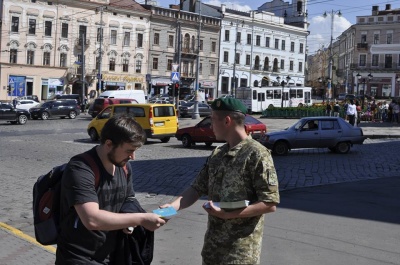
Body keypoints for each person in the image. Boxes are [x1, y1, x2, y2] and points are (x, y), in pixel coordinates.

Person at [161, 97, 280, 265]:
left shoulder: (257, 154)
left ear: (227, 121)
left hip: (239, 254)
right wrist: (169, 211)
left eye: (213, 120)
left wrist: (228, 215)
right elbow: (196, 188)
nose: (210, 126)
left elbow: (269, 203)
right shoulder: (218, 153)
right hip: (212, 250)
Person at [56, 114, 165, 264]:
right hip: (80, 256)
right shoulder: (80, 168)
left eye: (135, 150)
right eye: (128, 151)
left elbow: (128, 199)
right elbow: (91, 219)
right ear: (109, 144)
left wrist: (130, 223)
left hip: (112, 254)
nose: (133, 156)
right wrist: (140, 219)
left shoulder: (124, 166)